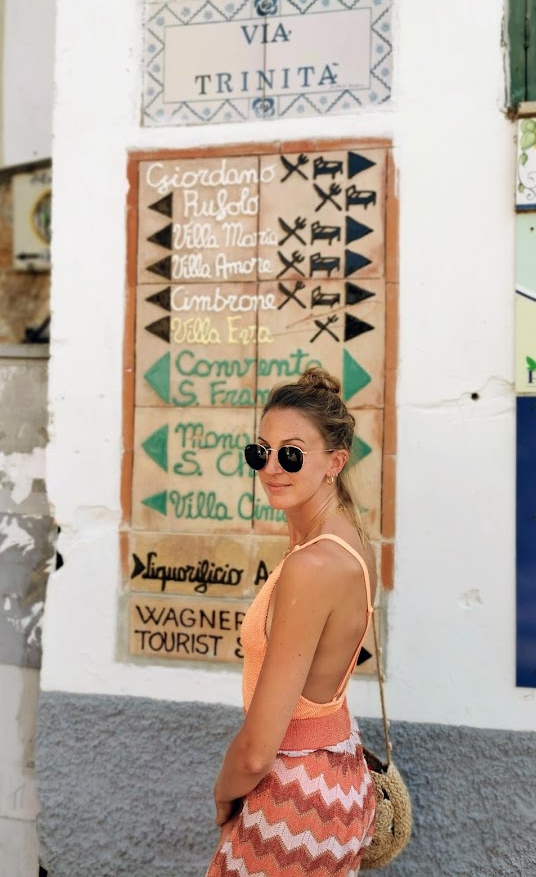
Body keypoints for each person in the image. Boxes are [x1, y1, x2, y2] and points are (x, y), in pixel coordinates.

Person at [206, 367, 377, 876]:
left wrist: (222, 794)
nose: (272, 467)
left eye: (292, 454)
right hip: (337, 775)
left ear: (334, 463)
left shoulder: (312, 564)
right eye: (261, 451)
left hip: (294, 797)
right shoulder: (347, 539)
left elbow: (257, 753)